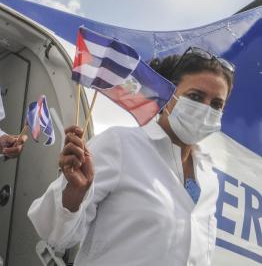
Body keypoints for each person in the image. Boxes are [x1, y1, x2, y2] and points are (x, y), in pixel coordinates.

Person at [28, 46, 235, 266]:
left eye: (216, 104)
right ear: (167, 96)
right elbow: (56, 236)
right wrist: (74, 193)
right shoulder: (120, 144)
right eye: (195, 96)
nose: (205, 109)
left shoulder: (208, 177)